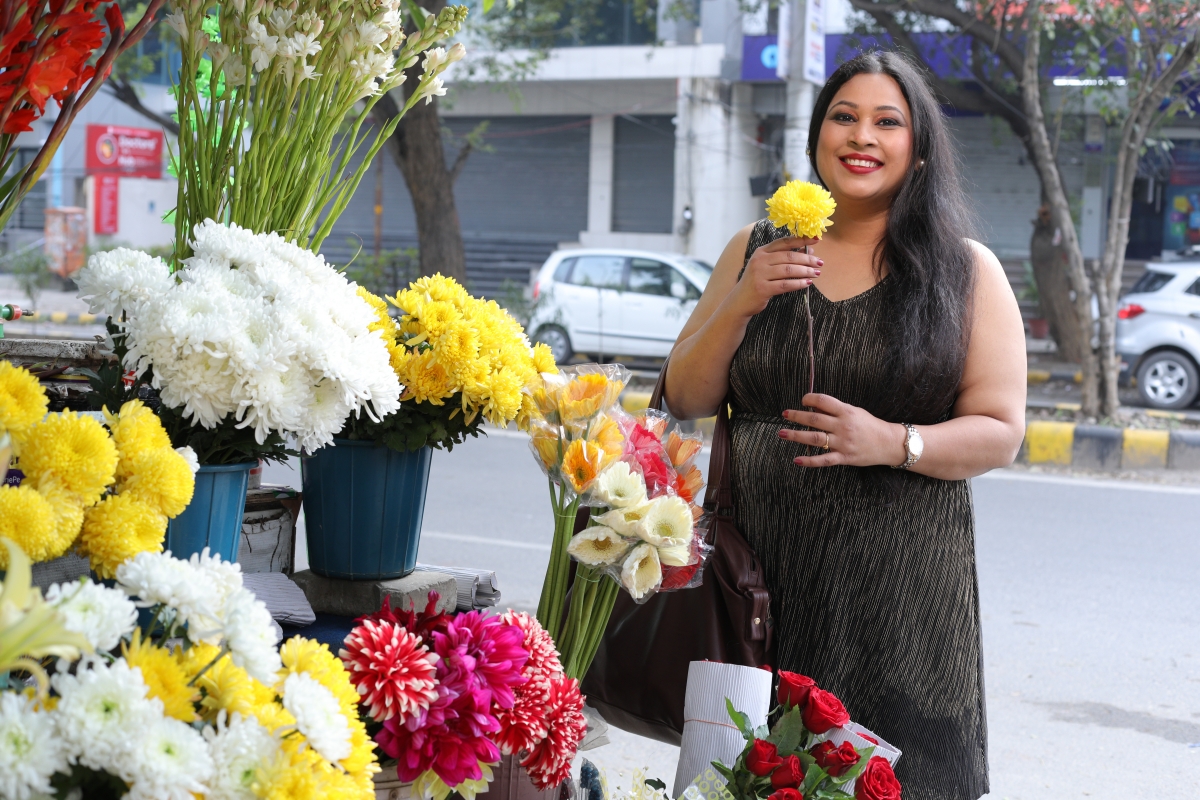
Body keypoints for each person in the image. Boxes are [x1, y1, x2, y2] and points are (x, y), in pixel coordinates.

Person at [663, 51, 1026, 799]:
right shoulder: (755, 248)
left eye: (887, 122)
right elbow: (685, 395)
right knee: (745, 779)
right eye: (845, 116)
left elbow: (998, 429)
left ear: (918, 149)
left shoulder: (965, 271)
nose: (863, 136)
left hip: (899, 603)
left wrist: (894, 441)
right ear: (818, 135)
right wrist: (742, 298)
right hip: (756, 589)